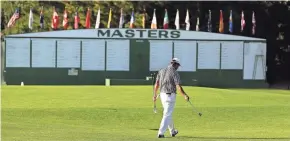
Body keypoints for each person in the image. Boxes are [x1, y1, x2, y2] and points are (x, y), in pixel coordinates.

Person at [153, 58, 190, 138]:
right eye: (178, 65)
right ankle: (161, 133)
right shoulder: (175, 72)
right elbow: (178, 86)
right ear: (175, 64)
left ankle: (172, 131)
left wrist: (155, 95)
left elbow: (156, 84)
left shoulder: (161, 71)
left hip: (162, 95)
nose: (178, 67)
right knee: (167, 114)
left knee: (168, 113)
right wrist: (184, 95)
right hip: (170, 96)